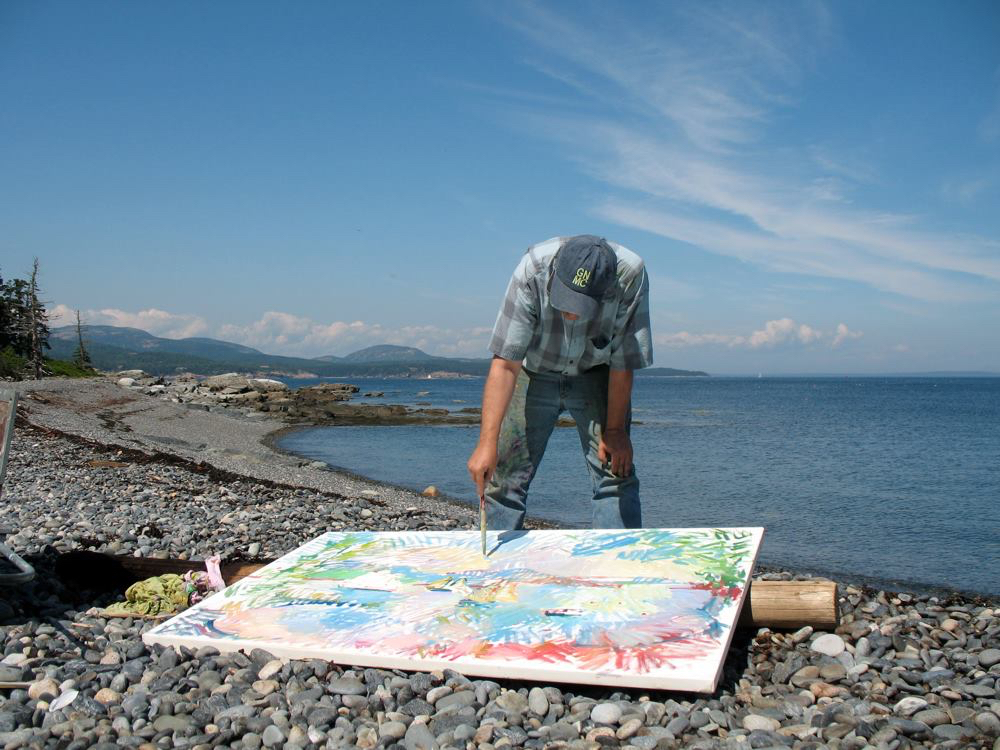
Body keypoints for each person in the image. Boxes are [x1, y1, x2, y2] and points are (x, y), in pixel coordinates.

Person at [466, 234, 653, 529]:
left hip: (597, 372)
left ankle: (619, 562)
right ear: (555, 273)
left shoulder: (630, 274)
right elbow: (505, 364)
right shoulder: (532, 270)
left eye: (582, 304)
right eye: (566, 299)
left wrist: (615, 430)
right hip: (534, 372)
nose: (572, 313)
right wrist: (486, 443)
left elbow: (623, 362)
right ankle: (496, 565)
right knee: (504, 478)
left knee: (616, 473)